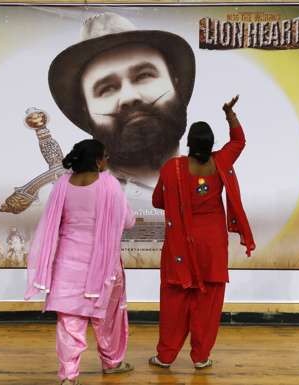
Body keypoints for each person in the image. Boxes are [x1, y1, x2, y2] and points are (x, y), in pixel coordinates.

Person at [149, 95, 256, 369]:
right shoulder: (220, 162)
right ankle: (201, 357)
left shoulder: (172, 169)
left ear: (188, 145)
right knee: (208, 302)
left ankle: (166, 356)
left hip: (180, 244)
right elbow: (239, 142)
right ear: (211, 146)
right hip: (212, 244)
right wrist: (229, 114)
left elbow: (157, 202)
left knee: (175, 300)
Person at [24, 139, 136, 385]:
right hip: (104, 266)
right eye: (105, 156)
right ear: (97, 160)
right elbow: (127, 221)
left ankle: (68, 376)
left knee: (69, 324)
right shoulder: (110, 185)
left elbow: (55, 221)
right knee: (107, 319)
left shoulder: (63, 185)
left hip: (68, 265)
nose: (107, 161)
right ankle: (112, 363)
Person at [48, 12, 195, 190]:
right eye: (106, 89)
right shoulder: (78, 195)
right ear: (86, 110)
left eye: (144, 75)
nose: (129, 96)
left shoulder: (213, 181)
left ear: (175, 83)